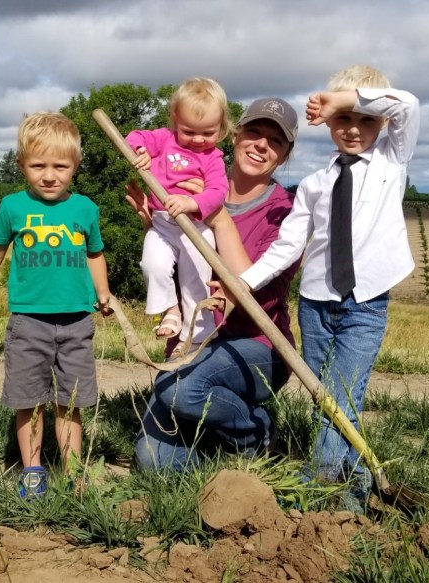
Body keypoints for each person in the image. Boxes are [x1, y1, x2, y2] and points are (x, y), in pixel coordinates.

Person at [236, 65, 420, 510]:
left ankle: (320, 485)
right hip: (316, 305)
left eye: (365, 119)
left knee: (344, 392)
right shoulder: (314, 185)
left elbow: (408, 105)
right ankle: (352, 484)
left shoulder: (391, 163)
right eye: (343, 120)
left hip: (366, 300)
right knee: (326, 397)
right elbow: (286, 247)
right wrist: (242, 282)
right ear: (329, 126)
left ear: (382, 124)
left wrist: (344, 99)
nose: (354, 129)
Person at [130, 97, 299, 471]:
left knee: (178, 389)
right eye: (254, 131)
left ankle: (254, 432)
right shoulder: (186, 180)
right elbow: (177, 274)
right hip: (194, 340)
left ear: (284, 155)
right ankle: (216, 438)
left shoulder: (285, 212)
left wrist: (219, 219)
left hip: (256, 344)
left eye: (275, 141)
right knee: (153, 464)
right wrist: (155, 228)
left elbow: (260, 295)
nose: (261, 144)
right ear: (235, 135)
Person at [0, 112, 113, 499]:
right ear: (21, 165)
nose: (49, 175)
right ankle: (33, 472)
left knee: (70, 403)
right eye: (38, 165)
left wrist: (103, 291)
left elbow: (95, 254)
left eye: (60, 166)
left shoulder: (85, 210)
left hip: (77, 321)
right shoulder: (13, 207)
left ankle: (75, 473)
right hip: (28, 322)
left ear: (75, 165)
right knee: (28, 401)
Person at [125, 77, 231, 355]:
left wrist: (192, 201)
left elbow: (219, 191)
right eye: (189, 131)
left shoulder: (213, 157)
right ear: (175, 119)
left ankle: (195, 332)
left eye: (208, 132)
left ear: (221, 127)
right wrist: (141, 152)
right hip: (161, 224)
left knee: (196, 276)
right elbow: (134, 137)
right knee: (152, 265)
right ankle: (170, 309)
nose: (198, 140)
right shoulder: (164, 139)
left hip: (196, 226)